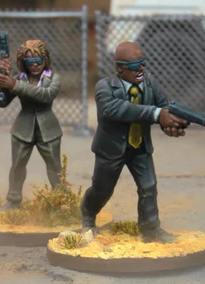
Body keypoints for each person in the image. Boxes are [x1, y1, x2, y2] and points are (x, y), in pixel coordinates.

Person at [80, 41, 188, 243]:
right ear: (119, 67)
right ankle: (88, 214)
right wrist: (157, 115)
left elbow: (163, 107)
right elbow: (115, 110)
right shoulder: (105, 87)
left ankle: (151, 230)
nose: (140, 69)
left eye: (142, 63)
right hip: (111, 148)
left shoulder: (150, 82)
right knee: (102, 190)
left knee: (148, 187)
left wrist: (170, 124)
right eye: (133, 65)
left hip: (140, 146)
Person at [0, 39, 63, 211]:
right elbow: (2, 102)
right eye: (30, 61)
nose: (35, 65)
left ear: (45, 59)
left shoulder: (53, 78)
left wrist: (15, 85)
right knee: (17, 166)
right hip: (23, 129)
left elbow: (46, 95)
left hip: (48, 129)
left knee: (55, 167)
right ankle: (13, 200)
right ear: (23, 62)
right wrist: (2, 82)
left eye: (38, 60)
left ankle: (62, 200)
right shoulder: (19, 79)